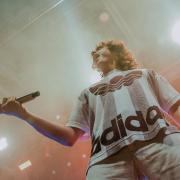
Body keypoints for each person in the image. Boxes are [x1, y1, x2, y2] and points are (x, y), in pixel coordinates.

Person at [0, 40, 180, 180]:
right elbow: (69, 137)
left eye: (100, 52)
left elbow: (176, 107)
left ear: (116, 53)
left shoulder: (146, 74)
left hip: (162, 142)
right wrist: (24, 115)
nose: (95, 56)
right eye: (94, 55)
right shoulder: (87, 93)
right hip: (107, 161)